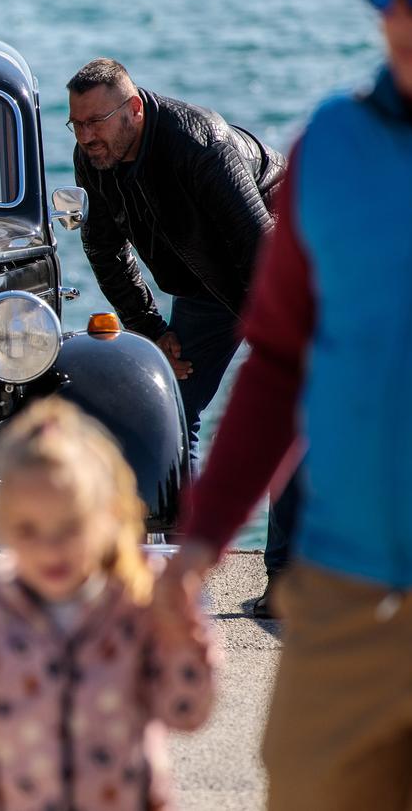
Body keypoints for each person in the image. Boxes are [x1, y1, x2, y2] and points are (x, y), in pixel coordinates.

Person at [157, 0, 412, 811]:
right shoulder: (331, 148)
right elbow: (279, 361)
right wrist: (199, 546)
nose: (397, 21)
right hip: (340, 604)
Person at [0, 398, 218, 809]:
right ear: (5, 528)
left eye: (70, 527)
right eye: (29, 529)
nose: (50, 549)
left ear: (107, 519)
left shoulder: (137, 601)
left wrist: (185, 637)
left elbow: (187, 714)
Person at [67, 57, 296, 616]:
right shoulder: (93, 160)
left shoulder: (200, 143)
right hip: (202, 286)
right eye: (76, 124)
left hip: (277, 263)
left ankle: (289, 583)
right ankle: (179, 570)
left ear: (135, 110)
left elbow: (260, 248)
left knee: (288, 417)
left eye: (96, 122)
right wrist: (151, 328)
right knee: (173, 406)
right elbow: (103, 249)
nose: (86, 136)